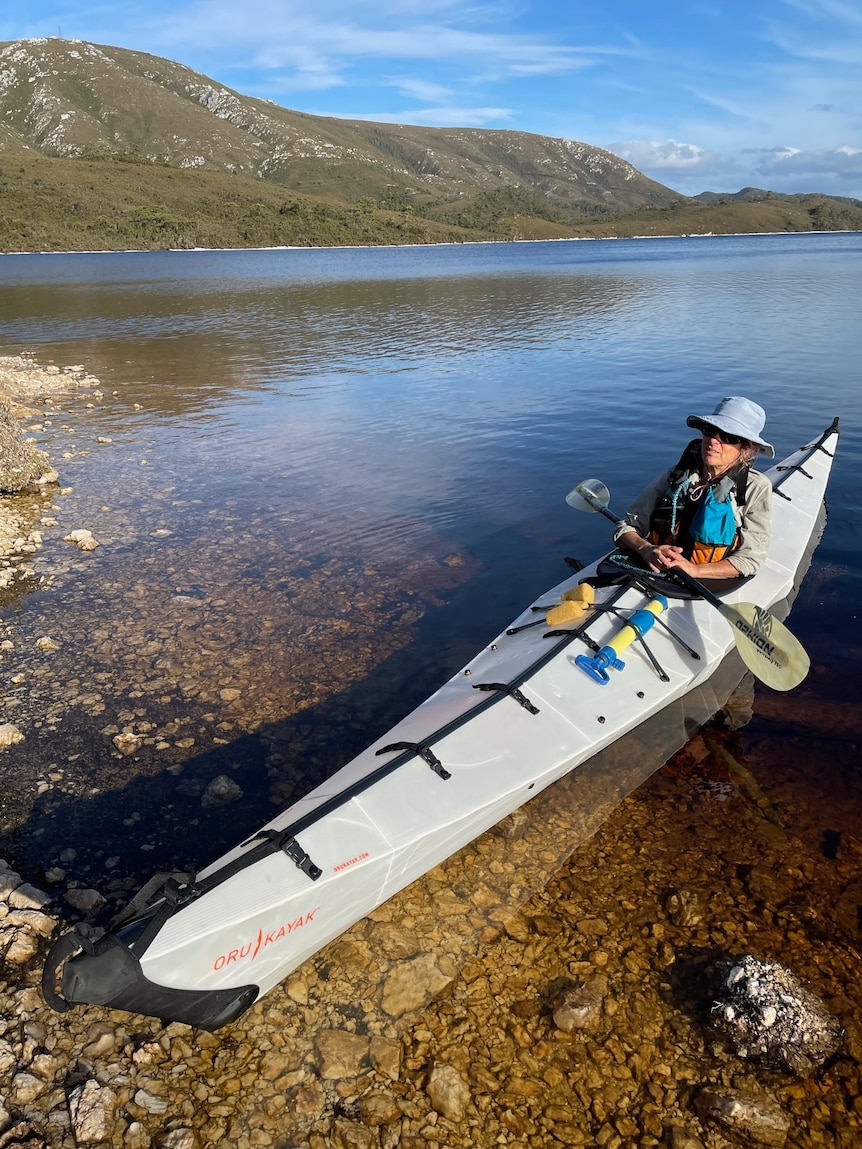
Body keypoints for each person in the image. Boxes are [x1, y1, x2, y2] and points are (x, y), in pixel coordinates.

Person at [613, 396, 773, 581]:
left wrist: (695, 570)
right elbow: (626, 527)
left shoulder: (755, 488)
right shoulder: (675, 476)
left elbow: (750, 559)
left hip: (704, 581)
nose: (713, 440)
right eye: (710, 430)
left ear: (746, 448)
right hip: (652, 572)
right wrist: (646, 549)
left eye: (728, 437)